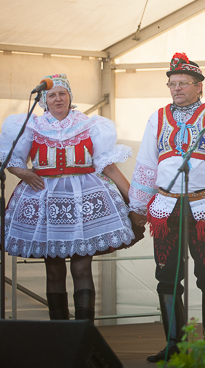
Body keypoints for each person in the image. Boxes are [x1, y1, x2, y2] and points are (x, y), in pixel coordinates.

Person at [128, 53, 205, 363]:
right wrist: (138, 206)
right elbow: (146, 164)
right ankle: (174, 344)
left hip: (203, 205)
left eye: (183, 83)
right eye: (172, 83)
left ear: (199, 87)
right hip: (166, 207)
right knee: (166, 278)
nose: (176, 88)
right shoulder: (157, 117)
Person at [1, 73, 136, 324]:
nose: (58, 99)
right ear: (43, 100)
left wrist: (135, 201)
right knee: (53, 270)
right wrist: (22, 172)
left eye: (62, 93)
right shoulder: (31, 126)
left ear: (70, 97)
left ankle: (84, 333)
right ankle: (60, 334)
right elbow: (10, 159)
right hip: (46, 203)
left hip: (83, 201)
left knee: (81, 267)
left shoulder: (90, 125)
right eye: (51, 95)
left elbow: (108, 166)